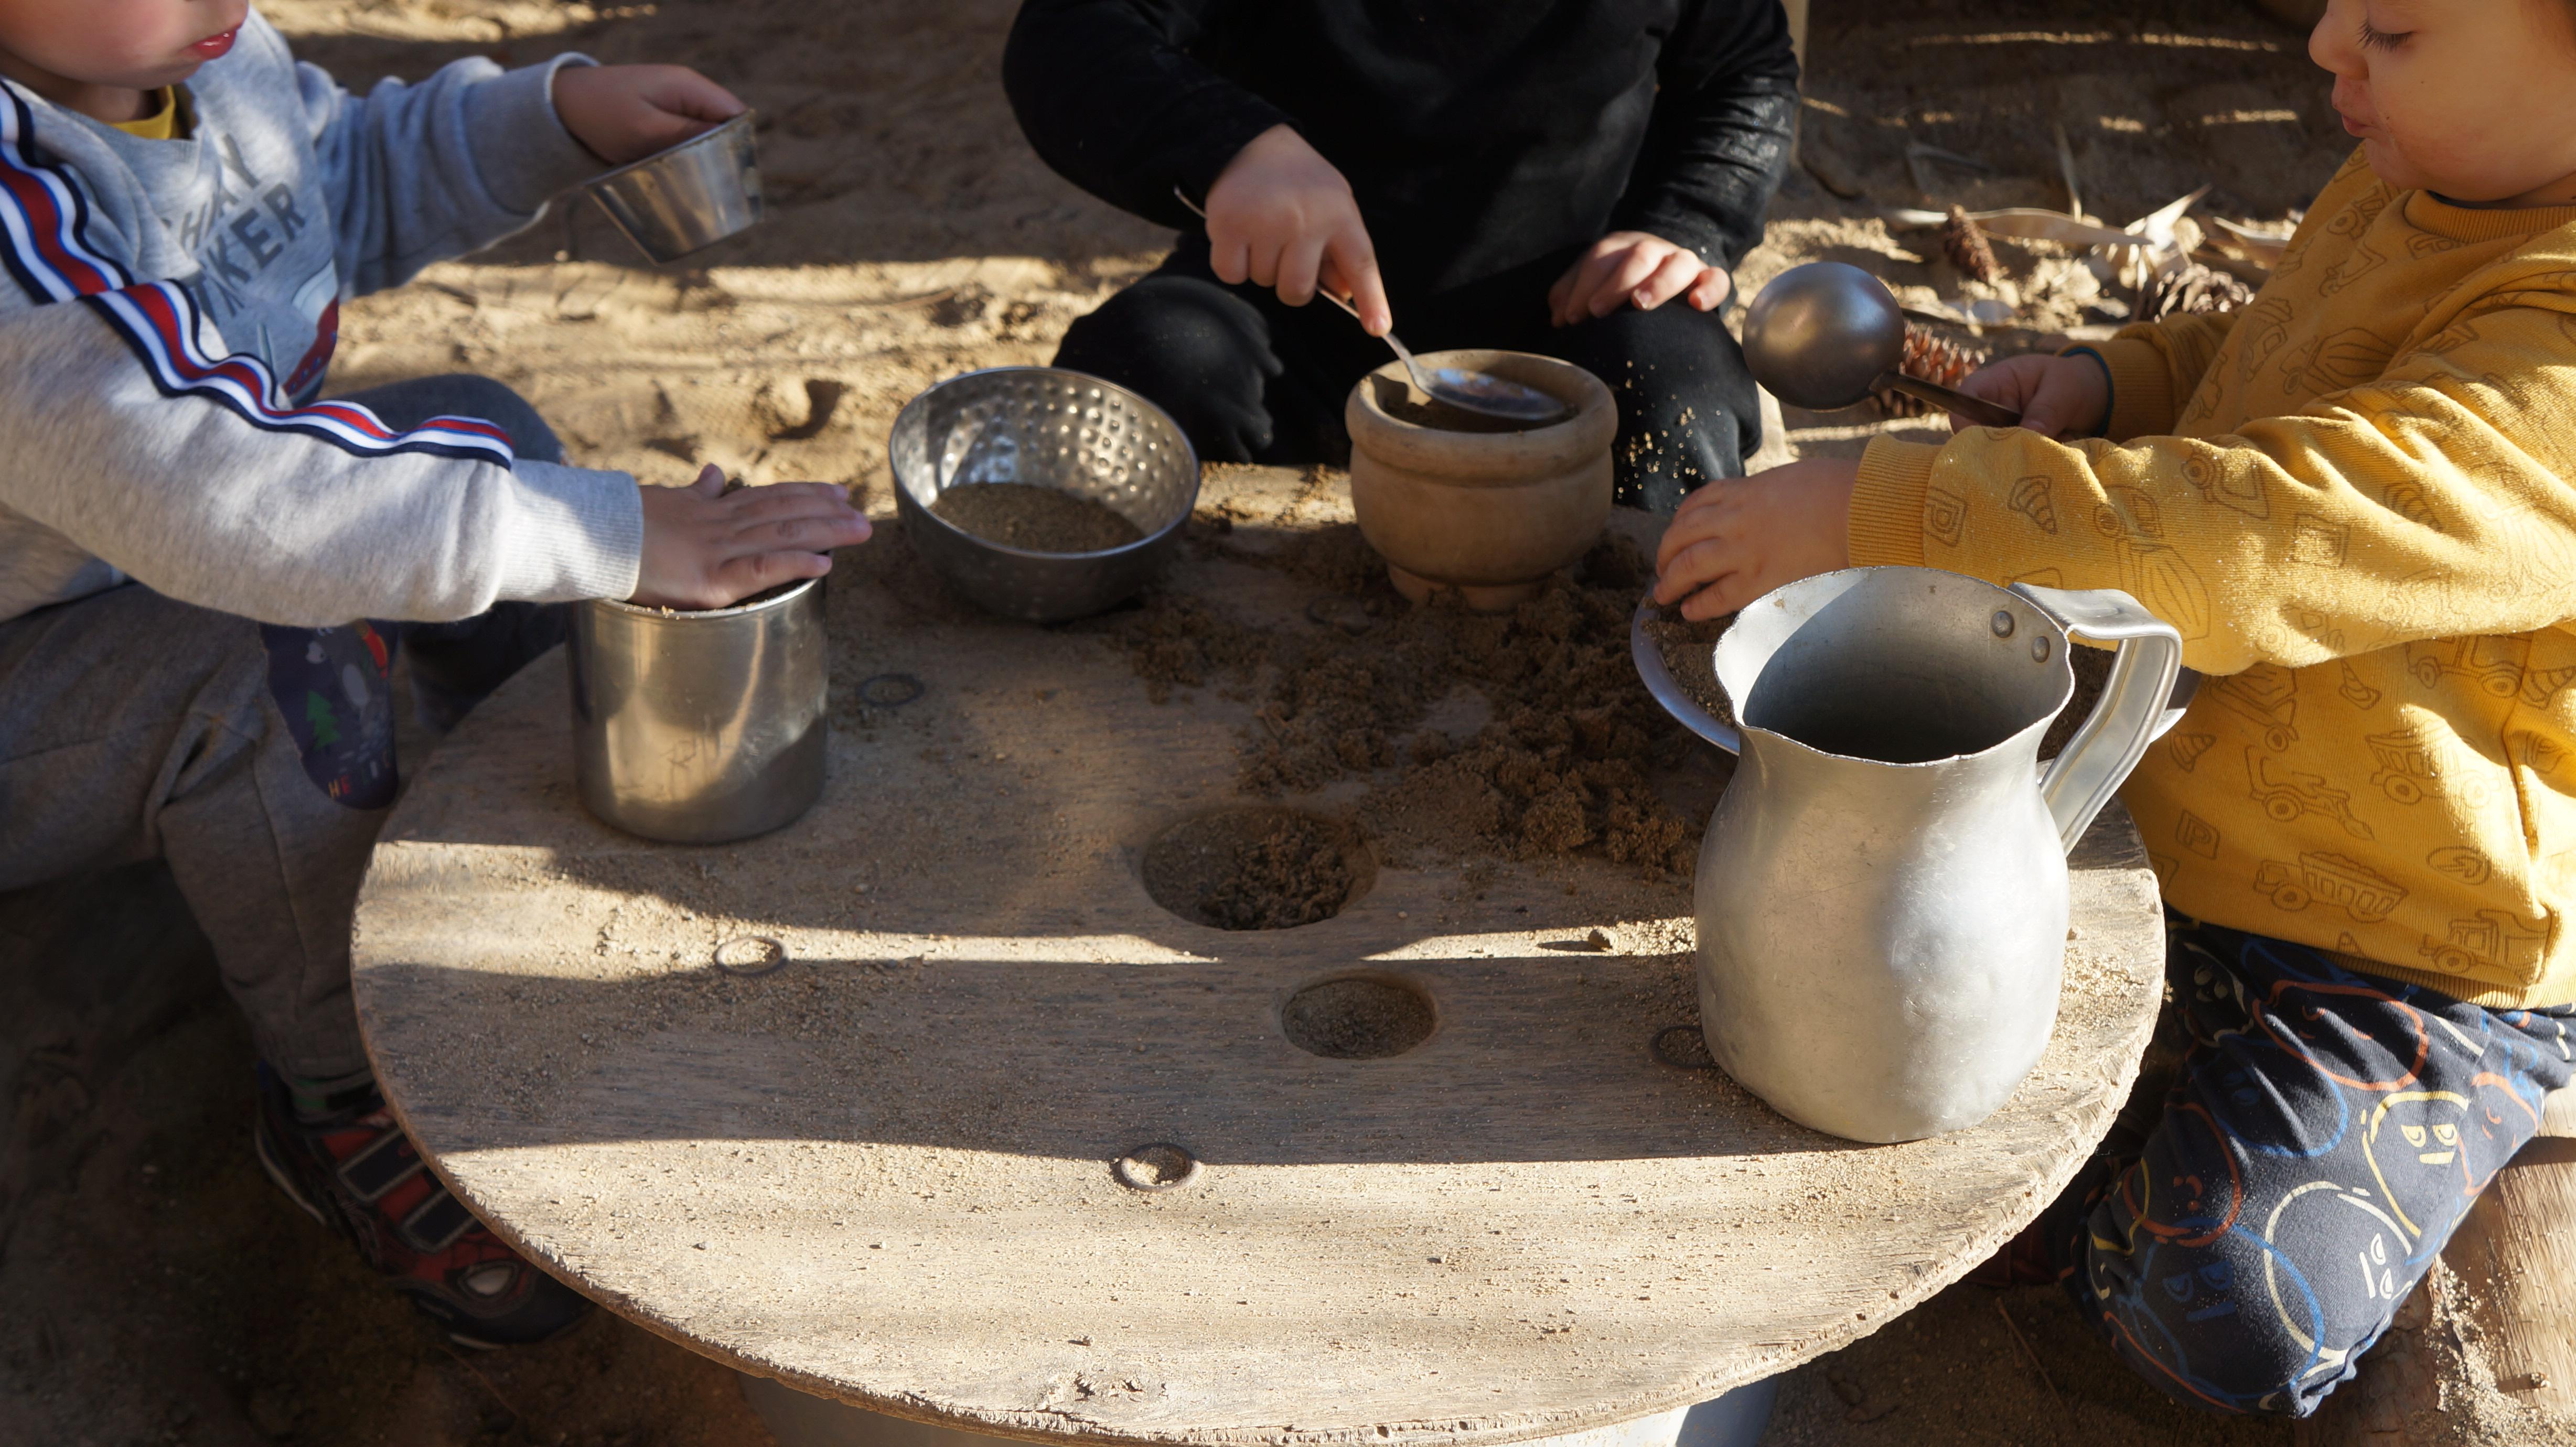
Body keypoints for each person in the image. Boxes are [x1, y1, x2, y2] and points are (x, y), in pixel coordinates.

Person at [1654, 0, 2576, 1417]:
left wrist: (1890, 510)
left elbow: (2275, 526)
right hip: (2177, 847)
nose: (2329, 46)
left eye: (2393, 28)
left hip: (2411, 950)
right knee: (1883, 1027)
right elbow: (2266, 364)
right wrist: (2108, 382)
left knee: (2215, 1311)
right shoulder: (2425, 170)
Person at [0, 1, 870, 1347]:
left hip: (131, 564)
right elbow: (219, 496)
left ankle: (565, 861)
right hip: (36, 669)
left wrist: (546, 123)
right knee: (262, 665)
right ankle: (350, 1100)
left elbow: (327, 179)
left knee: (482, 432)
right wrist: (619, 532)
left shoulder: (196, 62)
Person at [1002, 0, 1799, 514]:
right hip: (1292, 310)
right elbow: (1070, 33)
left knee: (1679, 390)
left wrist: (1684, 225)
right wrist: (1231, 149)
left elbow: (1747, 73)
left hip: (1573, 320)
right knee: (1146, 365)